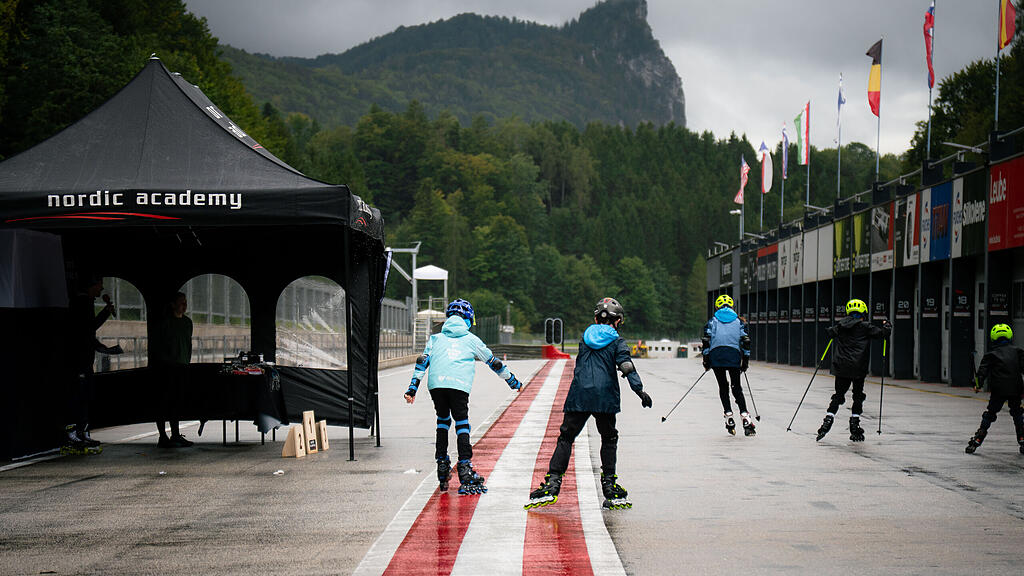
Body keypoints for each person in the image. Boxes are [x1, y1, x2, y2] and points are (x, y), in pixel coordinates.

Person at [525, 298, 653, 511]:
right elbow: (626, 366)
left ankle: (553, 482)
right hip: (605, 396)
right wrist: (639, 390)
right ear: (618, 321)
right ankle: (609, 485)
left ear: (595, 319)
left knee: (566, 437)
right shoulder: (618, 342)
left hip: (579, 394)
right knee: (609, 437)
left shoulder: (585, 339)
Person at [404, 298, 522, 495]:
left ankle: (442, 465)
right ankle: (465, 469)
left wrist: (412, 388)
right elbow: (495, 363)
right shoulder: (471, 340)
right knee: (462, 423)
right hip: (458, 385)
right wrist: (512, 381)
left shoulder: (436, 339)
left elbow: (422, 362)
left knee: (442, 421)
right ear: (469, 319)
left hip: (436, 385)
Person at [815, 298, 891, 442]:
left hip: (841, 367)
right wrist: (887, 326)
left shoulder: (841, 326)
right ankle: (854, 426)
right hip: (858, 368)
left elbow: (830, 333)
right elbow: (883, 334)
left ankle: (828, 420)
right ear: (863, 312)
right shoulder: (866, 327)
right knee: (857, 395)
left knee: (838, 395)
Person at [65, 275, 122, 451]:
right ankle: (75, 433)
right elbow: (87, 329)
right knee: (80, 396)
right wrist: (106, 312)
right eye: (99, 286)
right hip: (79, 358)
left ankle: (83, 432)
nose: (101, 289)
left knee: (86, 396)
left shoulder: (85, 302)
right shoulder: (82, 303)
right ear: (91, 285)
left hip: (84, 358)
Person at [965, 324, 1024, 455]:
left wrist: (977, 385)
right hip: (1016, 388)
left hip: (999, 390)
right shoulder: (1018, 351)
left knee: (990, 413)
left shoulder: (991, 355)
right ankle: (1022, 438)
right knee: (1017, 413)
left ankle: (978, 438)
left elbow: (982, 372)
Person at [701, 294, 754, 436]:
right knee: (736, 387)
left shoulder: (712, 321)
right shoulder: (738, 322)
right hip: (733, 356)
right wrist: (745, 362)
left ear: (717, 307)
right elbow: (746, 341)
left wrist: (706, 361)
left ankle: (729, 416)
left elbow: (706, 341)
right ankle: (746, 418)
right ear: (732, 307)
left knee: (723, 386)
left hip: (716, 356)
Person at [155, 292, 194, 448]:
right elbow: (159, 345)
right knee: (165, 402)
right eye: (181, 303)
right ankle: (163, 436)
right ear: (173, 305)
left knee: (176, 402)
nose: (184, 306)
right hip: (167, 366)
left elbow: (188, 344)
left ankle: (175, 435)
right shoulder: (166, 323)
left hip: (181, 365)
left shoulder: (187, 323)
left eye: (185, 302)